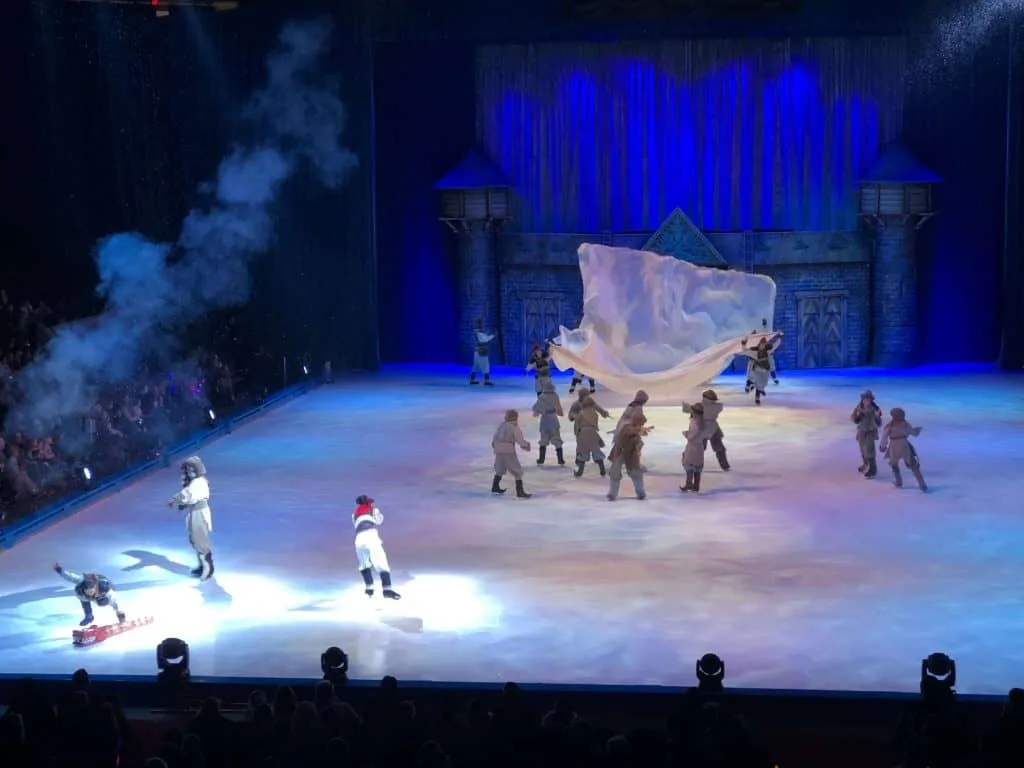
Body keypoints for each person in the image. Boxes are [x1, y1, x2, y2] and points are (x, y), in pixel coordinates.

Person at [168, 456, 214, 580]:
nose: (189, 472)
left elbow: (189, 496)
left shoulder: (199, 482)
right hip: (194, 511)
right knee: (195, 539)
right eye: (187, 469)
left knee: (200, 540)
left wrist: (178, 501)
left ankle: (208, 569)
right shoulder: (194, 482)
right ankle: (202, 566)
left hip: (199, 511)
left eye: (191, 469)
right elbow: (186, 494)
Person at [352, 495, 401, 600]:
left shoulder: (354, 514)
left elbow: (355, 524)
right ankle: (387, 590)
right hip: (370, 535)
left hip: (359, 539)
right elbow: (379, 521)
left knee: (364, 563)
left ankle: (369, 588)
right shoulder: (373, 510)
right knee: (380, 561)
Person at [54, 563, 125, 627]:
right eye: (87, 590)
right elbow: (70, 577)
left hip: (104, 588)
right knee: (83, 598)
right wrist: (59, 569)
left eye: (91, 590)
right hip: (90, 590)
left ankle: (100, 603)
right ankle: (89, 616)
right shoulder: (80, 586)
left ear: (95, 587)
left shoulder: (105, 589)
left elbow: (116, 603)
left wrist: (121, 615)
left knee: (103, 602)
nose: (89, 592)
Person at [880, 407, 927, 492]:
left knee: (894, 464)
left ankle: (899, 482)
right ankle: (922, 485)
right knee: (914, 466)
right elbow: (914, 433)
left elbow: (884, 437)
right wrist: (917, 430)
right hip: (904, 446)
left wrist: (883, 447)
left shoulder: (889, 426)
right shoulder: (906, 424)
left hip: (894, 447)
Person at [491, 409, 532, 498]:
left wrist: (494, 445)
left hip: (499, 449)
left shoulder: (502, 425)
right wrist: (526, 445)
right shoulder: (514, 426)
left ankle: (495, 486)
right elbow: (519, 439)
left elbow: (495, 437)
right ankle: (520, 492)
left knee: (500, 468)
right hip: (508, 450)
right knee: (517, 470)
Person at [851, 389, 883, 478]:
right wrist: (858, 415)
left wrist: (877, 417)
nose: (866, 401)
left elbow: (879, 423)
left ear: (871, 399)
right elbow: (854, 418)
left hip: (870, 431)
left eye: (868, 399)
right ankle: (865, 464)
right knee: (862, 449)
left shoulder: (875, 409)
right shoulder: (859, 407)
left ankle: (873, 469)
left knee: (869, 451)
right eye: (865, 399)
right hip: (861, 431)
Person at [469, 319, 496, 386]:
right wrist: (493, 335)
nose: (482, 325)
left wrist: (492, 335)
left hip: (477, 351)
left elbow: (485, 338)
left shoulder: (478, 332)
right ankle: (487, 380)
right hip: (481, 351)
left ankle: (472, 379)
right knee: (486, 365)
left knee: (476, 366)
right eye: (481, 324)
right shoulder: (479, 333)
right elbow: (485, 340)